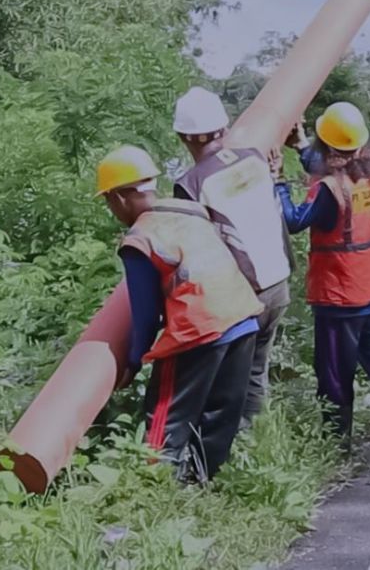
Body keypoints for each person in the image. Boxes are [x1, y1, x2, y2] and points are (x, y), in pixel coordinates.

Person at [272, 101, 370, 464]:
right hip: (365, 292)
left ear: (329, 148)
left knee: (333, 375)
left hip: (337, 296)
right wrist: (300, 146)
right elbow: (326, 164)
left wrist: (279, 181)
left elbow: (296, 220)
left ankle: (336, 452)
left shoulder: (330, 189)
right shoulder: (366, 174)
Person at [97, 144, 263, 483]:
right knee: (220, 416)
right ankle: (204, 483)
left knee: (165, 417)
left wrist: (131, 361)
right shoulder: (189, 211)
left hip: (199, 328)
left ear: (118, 198)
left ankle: (153, 487)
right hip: (242, 318)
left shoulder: (140, 238)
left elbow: (145, 315)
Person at [172, 86, 294, 428]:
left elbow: (193, 252)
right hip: (278, 283)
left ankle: (224, 453)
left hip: (243, 296)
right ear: (224, 130)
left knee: (225, 382)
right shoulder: (254, 159)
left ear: (184, 138)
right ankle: (256, 441)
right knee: (256, 371)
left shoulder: (191, 184)